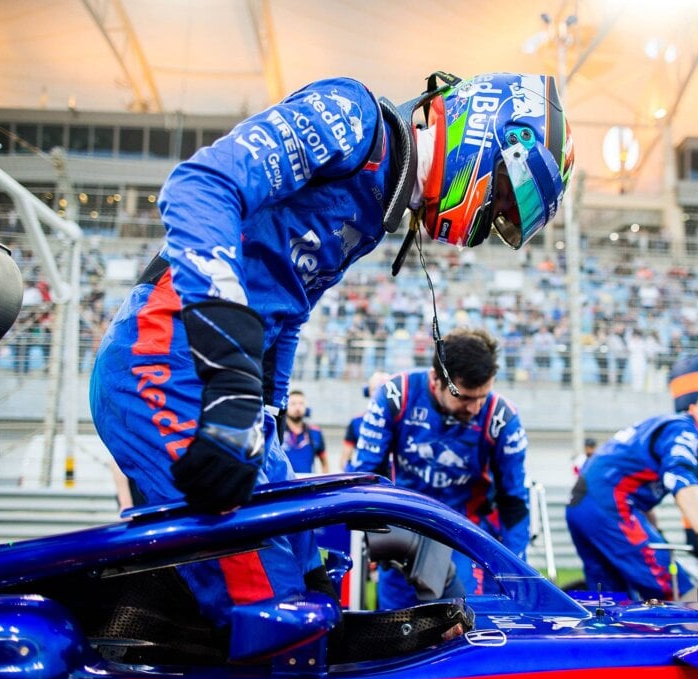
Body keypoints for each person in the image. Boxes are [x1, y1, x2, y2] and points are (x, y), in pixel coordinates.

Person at [88, 71, 574, 631]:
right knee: (275, 614)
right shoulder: (354, 116)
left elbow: (289, 308)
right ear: (492, 134)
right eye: (507, 199)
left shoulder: (381, 201)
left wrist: (265, 414)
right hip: (166, 352)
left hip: (209, 373)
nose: (492, 222)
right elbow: (199, 186)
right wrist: (231, 376)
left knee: (307, 580)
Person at [346, 328, 530, 610]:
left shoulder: (501, 417)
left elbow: (514, 500)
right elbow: (366, 475)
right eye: (466, 397)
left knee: (463, 625)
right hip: (403, 530)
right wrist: (380, 535)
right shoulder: (397, 395)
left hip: (465, 535)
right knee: (392, 630)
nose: (475, 407)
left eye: (483, 395)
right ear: (436, 379)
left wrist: (517, 573)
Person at [566, 379, 698, 600]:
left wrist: (652, 527)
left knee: (608, 599)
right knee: (675, 589)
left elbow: (631, 481)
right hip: (608, 505)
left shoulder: (664, 424)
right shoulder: (683, 430)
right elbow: (679, 476)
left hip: (582, 506)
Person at [341, 371, 390, 470]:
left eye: (383, 389)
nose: (379, 394)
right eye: (375, 389)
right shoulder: (356, 422)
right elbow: (344, 460)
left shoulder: (402, 423)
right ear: (367, 392)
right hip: (367, 481)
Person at [281, 389, 328, 474]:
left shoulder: (315, 432)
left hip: (307, 484)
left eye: (301, 404)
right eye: (293, 404)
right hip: (282, 485)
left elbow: (324, 463)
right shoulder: (278, 432)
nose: (297, 408)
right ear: (286, 406)